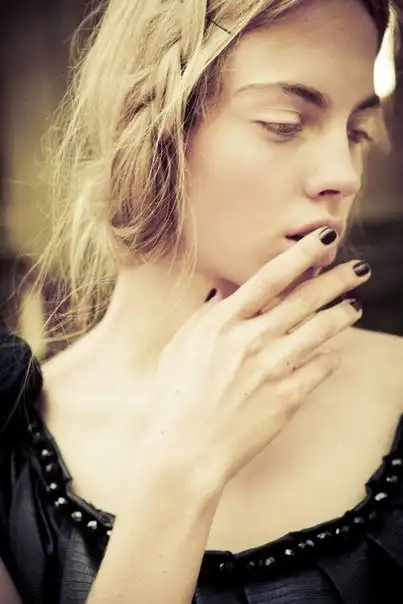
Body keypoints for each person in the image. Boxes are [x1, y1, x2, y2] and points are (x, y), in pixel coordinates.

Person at [1, 0, 403, 602]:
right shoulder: (12, 440)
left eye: (357, 132)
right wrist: (181, 472)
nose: (344, 175)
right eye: (284, 122)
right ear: (152, 127)